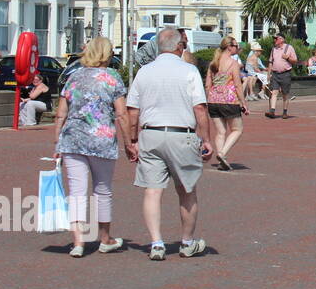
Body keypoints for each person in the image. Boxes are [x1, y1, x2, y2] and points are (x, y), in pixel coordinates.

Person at [125, 27, 214, 260]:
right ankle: (186, 242)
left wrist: (132, 140)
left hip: (150, 134)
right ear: (178, 47)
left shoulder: (144, 72)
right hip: (180, 133)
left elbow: (132, 110)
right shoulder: (189, 70)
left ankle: (156, 243)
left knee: (152, 191)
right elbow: (200, 108)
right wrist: (206, 139)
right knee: (186, 189)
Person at [53, 36, 131, 257]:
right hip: (102, 139)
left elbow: (61, 113)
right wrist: (129, 142)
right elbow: (121, 114)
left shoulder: (73, 77)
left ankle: (78, 242)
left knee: (77, 191)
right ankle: (105, 238)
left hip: (73, 139)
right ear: (107, 54)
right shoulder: (112, 78)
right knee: (102, 190)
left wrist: (57, 141)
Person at [205, 36, 248, 171]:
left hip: (213, 100)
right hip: (229, 100)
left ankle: (221, 158)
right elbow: (237, 84)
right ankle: (222, 153)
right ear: (229, 47)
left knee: (221, 131)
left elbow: (207, 85)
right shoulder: (233, 63)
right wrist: (243, 102)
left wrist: (208, 99)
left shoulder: (213, 63)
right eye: (235, 46)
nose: (237, 48)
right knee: (237, 129)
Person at [265, 34, 298, 119]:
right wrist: (269, 73)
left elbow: (295, 60)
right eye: (274, 39)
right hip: (275, 74)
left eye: (276, 38)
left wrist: (287, 58)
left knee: (285, 94)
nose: (274, 40)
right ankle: (272, 111)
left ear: (281, 39)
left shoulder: (289, 48)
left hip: (285, 73)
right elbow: (270, 62)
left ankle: (285, 112)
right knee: (274, 92)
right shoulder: (273, 49)